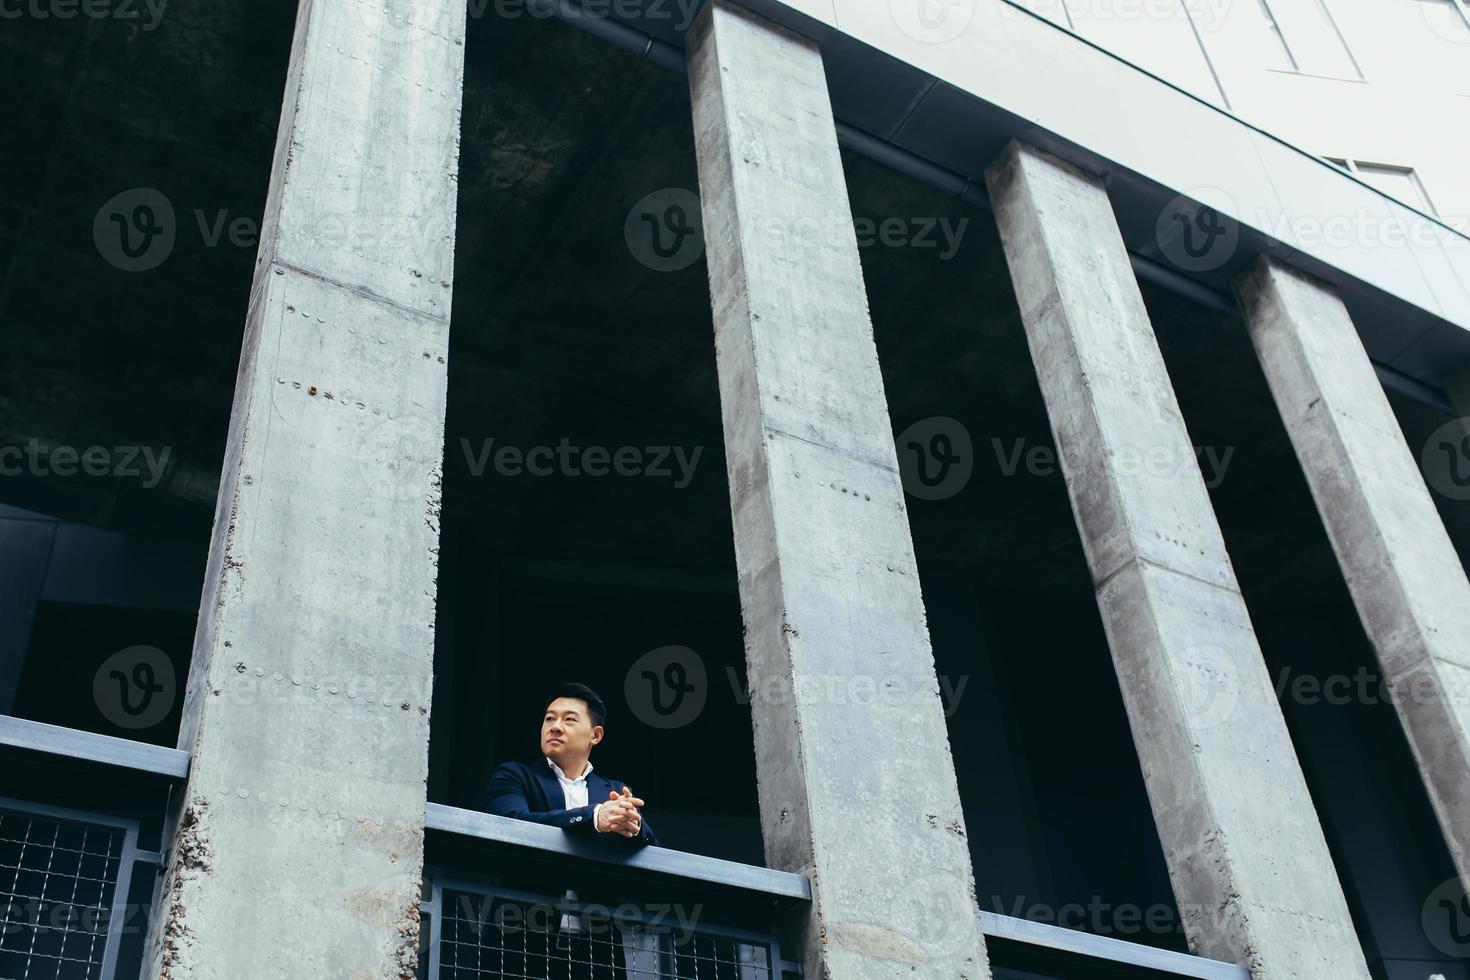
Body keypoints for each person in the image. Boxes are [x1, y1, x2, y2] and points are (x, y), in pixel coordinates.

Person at [484, 682, 658, 845]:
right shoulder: (514, 776)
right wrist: (594, 816)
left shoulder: (615, 791)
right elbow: (507, 824)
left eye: (569, 719)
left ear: (596, 735)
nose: (555, 727)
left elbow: (654, 850)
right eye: (550, 718)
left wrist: (634, 826)